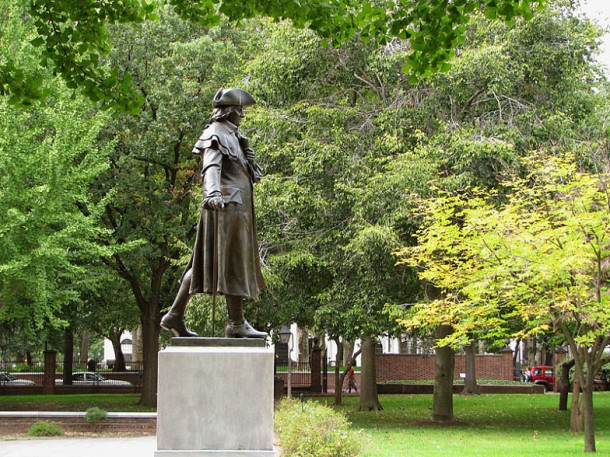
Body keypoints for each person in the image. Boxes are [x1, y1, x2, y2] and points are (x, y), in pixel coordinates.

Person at [161, 88, 266, 338]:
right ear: (230, 112)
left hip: (237, 209)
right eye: (239, 111)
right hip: (225, 208)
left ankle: (175, 315)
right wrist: (212, 193)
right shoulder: (216, 134)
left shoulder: (236, 137)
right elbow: (211, 167)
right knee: (233, 262)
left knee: (207, 265)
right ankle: (236, 323)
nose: (242, 115)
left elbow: (248, 173)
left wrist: (248, 158)